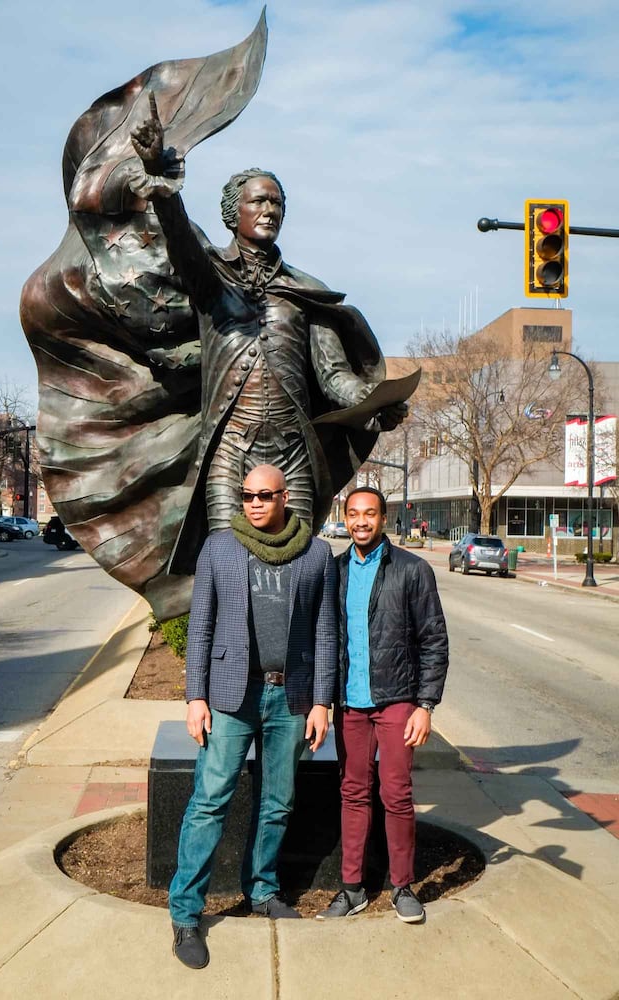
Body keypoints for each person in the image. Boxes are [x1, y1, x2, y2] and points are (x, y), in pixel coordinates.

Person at [131, 97, 408, 573]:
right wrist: (160, 179)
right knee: (225, 564)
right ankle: (227, 650)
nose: (270, 209)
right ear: (232, 212)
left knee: (295, 567)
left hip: (293, 451)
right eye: (258, 200)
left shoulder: (304, 294)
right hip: (229, 448)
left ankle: (293, 651)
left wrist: (375, 401)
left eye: (277, 202)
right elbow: (179, 241)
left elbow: (334, 377)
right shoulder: (212, 280)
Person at [169, 463, 337, 969]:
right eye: (246, 495)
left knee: (279, 800)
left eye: (265, 495)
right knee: (210, 799)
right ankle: (185, 913)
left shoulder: (317, 553)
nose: (255, 503)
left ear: (286, 497)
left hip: (291, 698)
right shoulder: (220, 547)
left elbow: (326, 633)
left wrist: (323, 702)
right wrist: (194, 697)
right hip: (229, 695)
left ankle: (263, 889)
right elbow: (199, 627)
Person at [316, 486, 448, 924]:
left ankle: (402, 886)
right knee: (353, 794)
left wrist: (425, 704)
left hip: (396, 702)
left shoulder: (412, 570)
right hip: (350, 705)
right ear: (345, 517)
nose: (360, 522)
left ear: (383, 518)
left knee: (396, 795)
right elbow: (324, 640)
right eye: (353, 514)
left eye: (369, 514)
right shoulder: (334, 571)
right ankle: (351, 888)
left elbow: (433, 640)